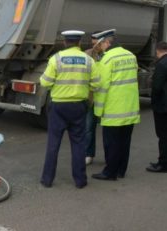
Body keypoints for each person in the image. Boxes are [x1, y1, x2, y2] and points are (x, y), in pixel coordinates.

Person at [39, 30, 100, 188]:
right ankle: (80, 181)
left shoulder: (56, 59)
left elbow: (45, 83)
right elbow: (96, 84)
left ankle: (47, 180)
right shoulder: (88, 60)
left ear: (65, 42)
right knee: (79, 143)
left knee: (53, 143)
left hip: (58, 106)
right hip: (79, 106)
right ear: (79, 43)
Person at [91, 29, 141, 180]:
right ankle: (121, 170)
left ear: (106, 42)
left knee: (111, 143)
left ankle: (109, 173)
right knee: (125, 142)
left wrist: (97, 111)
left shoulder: (106, 60)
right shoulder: (130, 55)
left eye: (97, 45)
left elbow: (102, 88)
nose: (96, 48)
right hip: (130, 108)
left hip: (113, 110)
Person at [145, 41, 167, 173]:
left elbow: (157, 87)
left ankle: (163, 164)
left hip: (163, 106)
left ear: (157, 51)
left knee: (163, 135)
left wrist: (153, 101)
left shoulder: (162, 64)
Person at [84, 32, 103, 165]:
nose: (94, 46)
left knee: (109, 130)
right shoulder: (87, 54)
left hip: (106, 98)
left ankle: (111, 156)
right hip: (91, 98)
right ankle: (88, 154)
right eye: (92, 43)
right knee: (88, 128)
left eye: (96, 43)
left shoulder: (109, 55)